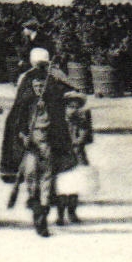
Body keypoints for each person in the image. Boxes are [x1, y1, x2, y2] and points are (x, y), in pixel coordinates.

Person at [0, 46, 77, 238]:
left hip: (47, 143)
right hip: (33, 144)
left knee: (43, 178)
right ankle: (39, 207)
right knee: (36, 177)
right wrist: (23, 135)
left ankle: (41, 215)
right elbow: (19, 114)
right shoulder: (44, 80)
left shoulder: (38, 80)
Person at [55, 90, 94, 225]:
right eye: (70, 106)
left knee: (74, 188)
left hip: (76, 156)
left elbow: (83, 138)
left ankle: (72, 213)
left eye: (76, 106)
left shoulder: (81, 122)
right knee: (61, 188)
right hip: (62, 157)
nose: (73, 109)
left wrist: (77, 141)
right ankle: (60, 215)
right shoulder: (59, 122)